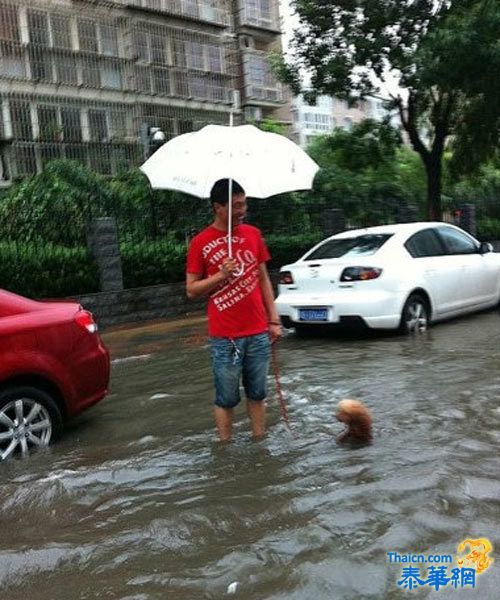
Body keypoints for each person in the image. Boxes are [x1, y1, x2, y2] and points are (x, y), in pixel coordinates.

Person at [186, 179, 282, 442]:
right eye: (236, 205)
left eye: (245, 203)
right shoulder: (200, 243)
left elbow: (263, 278)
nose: (243, 210)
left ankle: (259, 442)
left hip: (258, 331)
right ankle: (225, 449)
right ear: (218, 207)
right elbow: (191, 290)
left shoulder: (253, 234)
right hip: (225, 336)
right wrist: (220, 275)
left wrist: (274, 320)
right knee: (226, 398)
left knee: (258, 394)